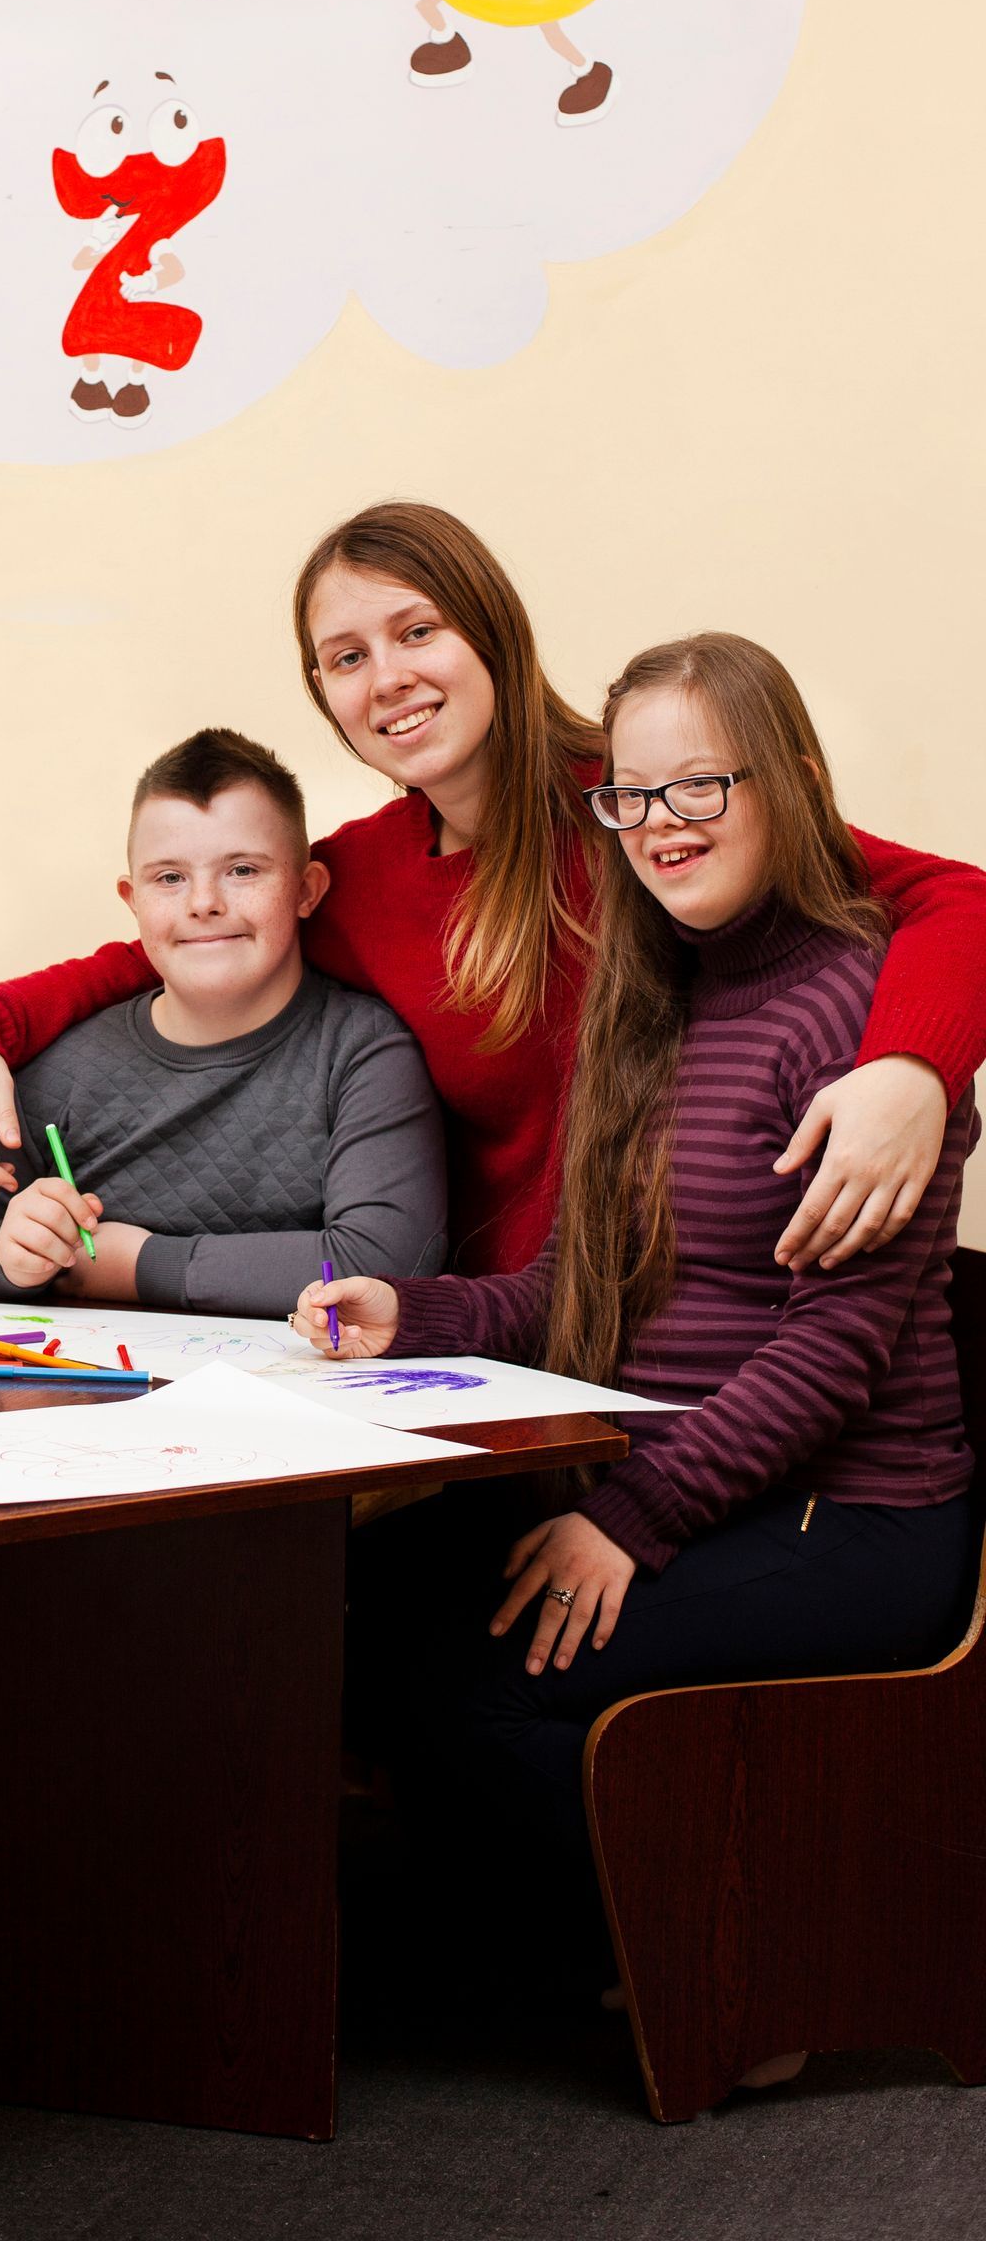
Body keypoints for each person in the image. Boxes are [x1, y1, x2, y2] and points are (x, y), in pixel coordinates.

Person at [292, 634, 978, 2057]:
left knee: (471, 1690)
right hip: (697, 1493)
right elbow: (570, 1286)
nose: (660, 825)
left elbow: (832, 1354)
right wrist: (405, 1310)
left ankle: (760, 1965)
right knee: (353, 1610)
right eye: (631, 796)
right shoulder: (657, 997)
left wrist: (630, 1521)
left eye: (700, 788)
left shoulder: (861, 1014)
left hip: (845, 1517)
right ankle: (594, 1949)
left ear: (787, 784)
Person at [0, 506, 986, 1278]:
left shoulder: (637, 804)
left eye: (417, 631)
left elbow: (954, 898)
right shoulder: (365, 876)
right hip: (491, 1336)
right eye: (344, 657)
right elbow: (186, 934)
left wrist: (911, 1071)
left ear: (492, 631)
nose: (385, 678)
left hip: (695, 1321)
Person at [0, 728, 445, 1311]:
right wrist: (11, 1257)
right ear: (132, 898)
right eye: (169, 878)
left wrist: (135, 1264)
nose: (202, 903)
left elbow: (386, 1262)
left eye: (243, 870)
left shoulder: (364, 1053)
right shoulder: (63, 1066)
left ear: (307, 890)